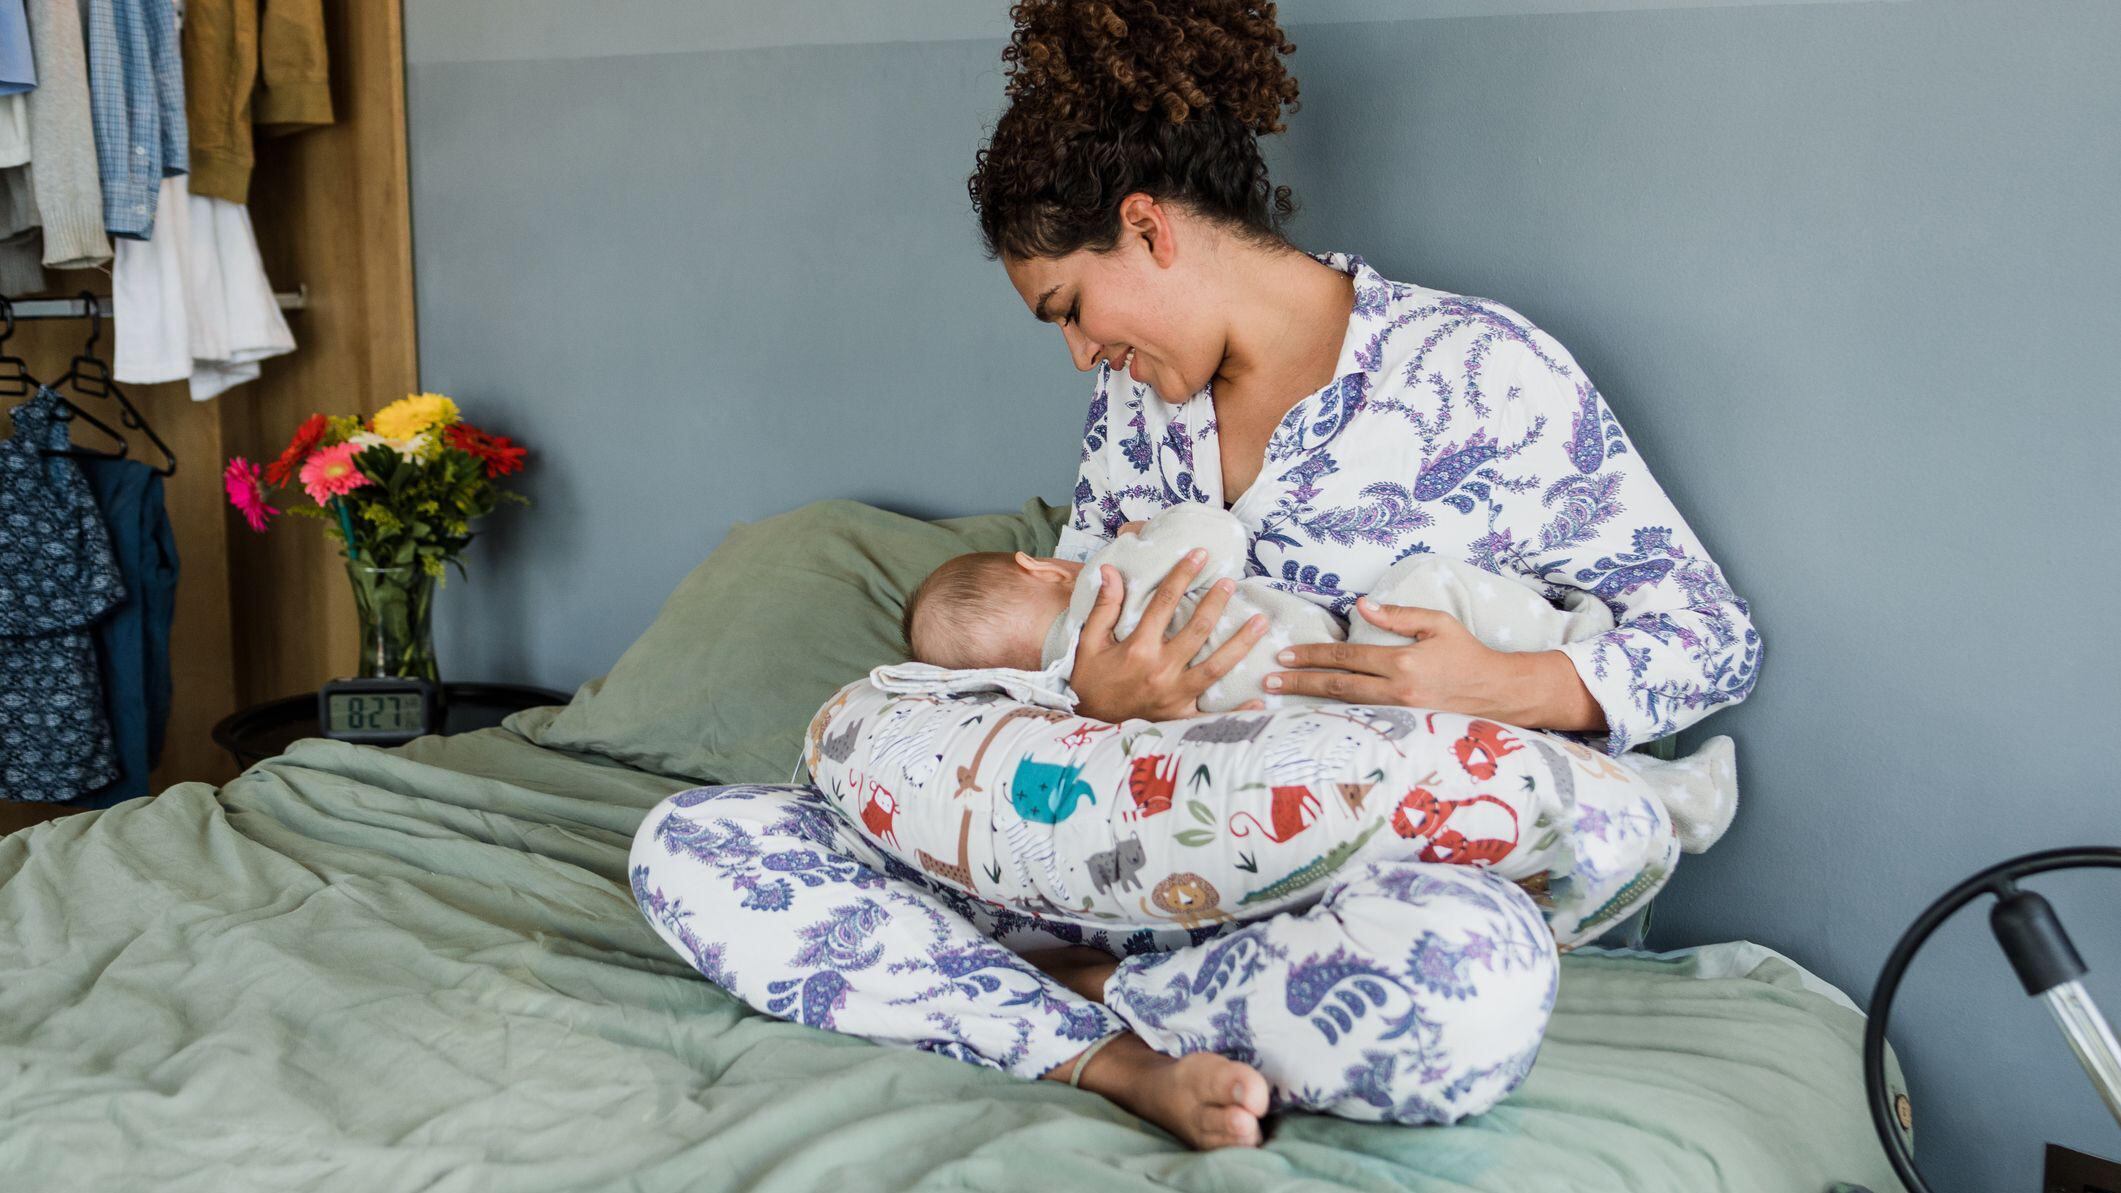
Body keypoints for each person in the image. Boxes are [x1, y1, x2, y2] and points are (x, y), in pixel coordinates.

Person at [631, 0, 1759, 1150]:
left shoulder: (1480, 374)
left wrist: (1505, 686)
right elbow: (1073, 622)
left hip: (1333, 887)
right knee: (700, 842)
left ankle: (1061, 1000)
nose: (1081, 353)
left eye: (1072, 308)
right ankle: (1116, 1052)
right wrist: (1093, 695)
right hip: (1122, 847)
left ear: (1148, 227)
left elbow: (1711, 634)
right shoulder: (1133, 410)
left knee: (1470, 982)